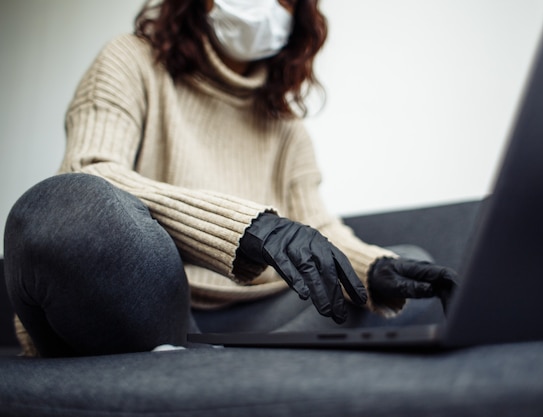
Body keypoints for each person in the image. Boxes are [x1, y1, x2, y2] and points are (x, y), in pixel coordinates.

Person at [3, 0, 457, 357]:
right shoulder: (129, 61)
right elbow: (89, 171)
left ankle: (207, 363)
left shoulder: (286, 126)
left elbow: (321, 229)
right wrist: (247, 228)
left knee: (403, 266)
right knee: (69, 204)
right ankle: (184, 351)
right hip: (155, 300)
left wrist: (376, 268)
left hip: (262, 314)